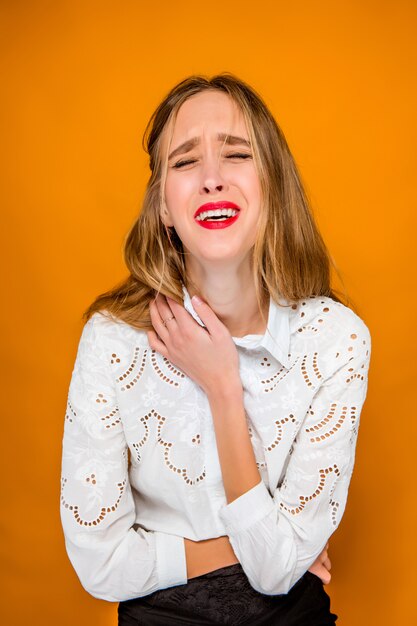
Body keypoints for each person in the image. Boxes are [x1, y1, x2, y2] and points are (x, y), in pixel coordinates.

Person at [60, 73, 371, 625]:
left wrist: (223, 384)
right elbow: (100, 564)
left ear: (272, 183)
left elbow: (278, 575)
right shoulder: (111, 342)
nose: (211, 179)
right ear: (163, 207)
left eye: (236, 154)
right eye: (184, 162)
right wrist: (260, 547)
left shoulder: (336, 340)